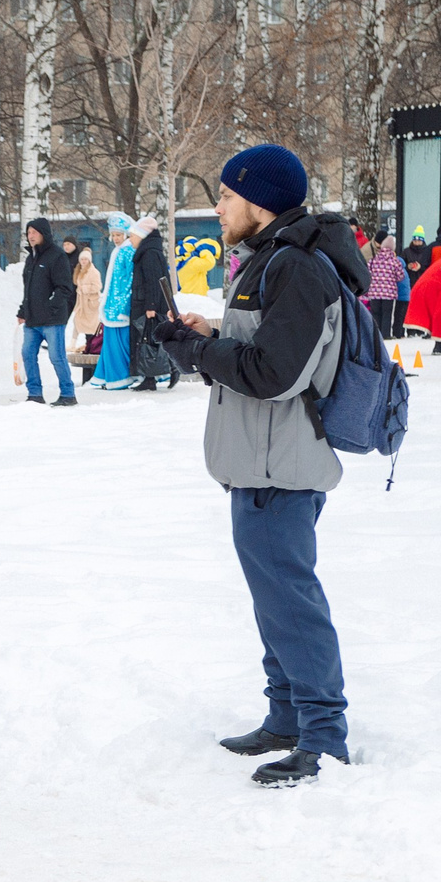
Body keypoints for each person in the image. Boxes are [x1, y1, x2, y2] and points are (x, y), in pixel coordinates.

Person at [163, 143, 363, 789]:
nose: (217, 207)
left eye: (226, 196)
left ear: (260, 201)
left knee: (291, 598)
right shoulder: (266, 261)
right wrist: (207, 333)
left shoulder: (298, 269)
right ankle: (285, 715)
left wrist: (199, 350)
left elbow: (273, 372)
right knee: (272, 597)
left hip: (284, 468)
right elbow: (258, 345)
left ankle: (324, 735)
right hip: (259, 464)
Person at [15, 218, 78, 405]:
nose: (31, 236)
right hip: (32, 320)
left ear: (44, 233)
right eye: (28, 233)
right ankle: (35, 394)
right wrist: (22, 311)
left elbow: (65, 288)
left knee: (56, 357)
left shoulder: (57, 256)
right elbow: (29, 289)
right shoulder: (31, 258)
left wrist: (51, 307)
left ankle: (68, 394)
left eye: (34, 232)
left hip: (52, 319)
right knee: (27, 354)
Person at [126, 221, 180, 391]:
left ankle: (173, 368)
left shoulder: (149, 254)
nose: (130, 240)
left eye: (132, 236)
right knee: (147, 340)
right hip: (147, 303)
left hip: (148, 305)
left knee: (152, 340)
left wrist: (151, 306)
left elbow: (153, 281)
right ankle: (149, 378)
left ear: (141, 236)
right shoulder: (149, 251)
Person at [93, 215, 136, 388]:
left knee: (119, 344)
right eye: (114, 235)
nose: (116, 238)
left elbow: (128, 280)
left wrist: (123, 305)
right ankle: (107, 376)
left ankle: (120, 377)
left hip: (119, 306)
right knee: (111, 343)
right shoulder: (117, 251)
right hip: (112, 305)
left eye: (119, 235)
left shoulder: (127, 251)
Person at [403, 228, 441, 349]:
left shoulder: (432, 247)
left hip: (430, 280)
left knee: (435, 311)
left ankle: (437, 338)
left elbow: (425, 263)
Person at [67, 239, 103, 380]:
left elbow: (98, 286)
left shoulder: (93, 272)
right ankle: (79, 344)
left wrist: (85, 289)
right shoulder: (79, 271)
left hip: (90, 304)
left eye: (85, 259)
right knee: (78, 323)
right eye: (81, 259)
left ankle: (91, 347)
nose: (83, 261)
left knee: (90, 328)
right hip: (82, 303)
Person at [365, 234, 406, 342]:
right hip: (389, 293)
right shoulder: (395, 261)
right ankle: (385, 334)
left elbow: (367, 273)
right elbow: (401, 276)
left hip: (374, 292)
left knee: (375, 313)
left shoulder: (373, 260)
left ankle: (376, 334)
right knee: (387, 314)